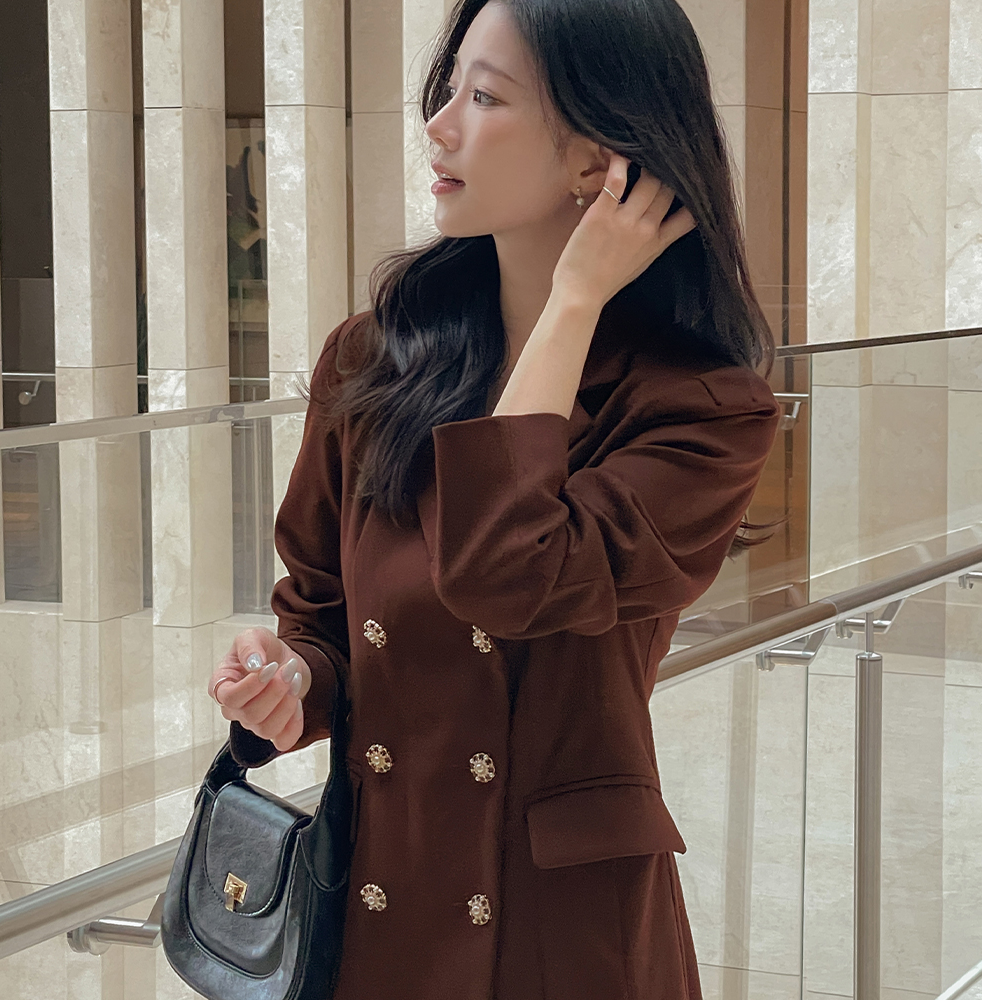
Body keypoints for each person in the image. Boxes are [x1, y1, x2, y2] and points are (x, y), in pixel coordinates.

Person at [207, 0, 780, 996]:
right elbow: (323, 614)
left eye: (484, 97)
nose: (438, 125)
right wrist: (291, 678)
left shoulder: (699, 408)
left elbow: (508, 574)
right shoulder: (372, 357)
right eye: (448, 88)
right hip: (378, 895)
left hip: (563, 933)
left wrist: (573, 300)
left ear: (597, 159)